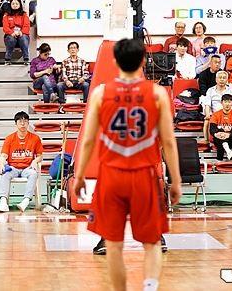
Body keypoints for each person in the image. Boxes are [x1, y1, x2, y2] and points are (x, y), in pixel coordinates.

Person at [73, 39, 182, 291]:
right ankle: (150, 287)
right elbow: (168, 141)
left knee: (113, 245)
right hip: (144, 175)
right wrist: (175, 180)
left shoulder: (101, 93)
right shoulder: (157, 93)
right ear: (143, 61)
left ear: (115, 61)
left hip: (111, 176)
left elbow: (88, 140)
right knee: (152, 243)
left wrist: (79, 176)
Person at [0, 111, 43, 213]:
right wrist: (1, 164)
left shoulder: (35, 138)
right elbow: (3, 156)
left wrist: (35, 161)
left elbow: (40, 156)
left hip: (27, 167)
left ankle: (25, 201)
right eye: (20, 121)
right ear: (16, 124)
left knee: (34, 173)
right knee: (4, 173)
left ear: (28, 123)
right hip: (13, 167)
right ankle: (3, 203)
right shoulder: (9, 138)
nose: (22, 124)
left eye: (25, 121)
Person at [209, 94, 232, 161]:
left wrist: (229, 135)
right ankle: (228, 151)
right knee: (219, 134)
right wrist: (216, 134)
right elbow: (212, 128)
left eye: (229, 102)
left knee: (224, 138)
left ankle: (219, 160)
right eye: (225, 102)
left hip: (231, 139)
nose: (227, 104)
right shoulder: (216, 114)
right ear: (221, 103)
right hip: (219, 137)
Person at [2, 0, 31, 64]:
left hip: (21, 34)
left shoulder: (24, 15)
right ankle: (7, 59)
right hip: (11, 35)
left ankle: (26, 59)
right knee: (11, 39)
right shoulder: (6, 15)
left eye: (16, 4)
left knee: (23, 38)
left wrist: (21, 32)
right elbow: (5, 27)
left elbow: (27, 26)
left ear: (20, 5)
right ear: (10, 5)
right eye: (13, 4)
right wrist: (12, 33)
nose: (15, 5)